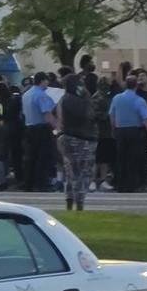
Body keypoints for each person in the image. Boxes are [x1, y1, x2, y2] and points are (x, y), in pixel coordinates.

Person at [57, 74, 97, 210]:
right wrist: (87, 98)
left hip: (68, 137)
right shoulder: (76, 99)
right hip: (81, 139)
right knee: (83, 172)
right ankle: (79, 201)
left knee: (71, 172)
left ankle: (70, 199)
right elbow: (88, 115)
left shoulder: (64, 99)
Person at [109, 75, 147, 193]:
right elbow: (146, 118)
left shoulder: (116, 98)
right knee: (133, 158)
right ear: (136, 85)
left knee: (121, 158)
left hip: (120, 130)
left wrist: (113, 129)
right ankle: (132, 184)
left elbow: (112, 115)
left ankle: (120, 184)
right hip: (135, 131)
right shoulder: (139, 100)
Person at [22, 72, 58, 192]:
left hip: (28, 128)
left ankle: (28, 183)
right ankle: (41, 184)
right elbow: (47, 114)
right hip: (41, 129)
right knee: (43, 158)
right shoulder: (41, 95)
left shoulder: (26, 94)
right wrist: (57, 127)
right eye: (46, 80)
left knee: (30, 158)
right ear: (43, 81)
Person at [91, 77, 116, 192]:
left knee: (105, 158)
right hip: (99, 132)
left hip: (107, 132)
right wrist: (106, 115)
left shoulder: (108, 97)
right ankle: (92, 180)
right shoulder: (96, 97)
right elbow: (93, 114)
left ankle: (103, 180)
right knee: (97, 158)